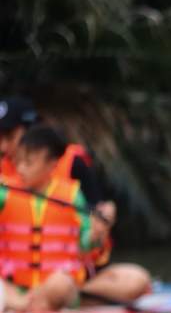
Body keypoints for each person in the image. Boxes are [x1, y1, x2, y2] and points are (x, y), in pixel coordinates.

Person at [0, 95, 126, 284]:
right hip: (14, 277)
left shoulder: (72, 168)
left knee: (132, 278)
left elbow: (92, 212)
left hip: (65, 275)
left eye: (10, 136)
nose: (3, 146)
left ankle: (74, 294)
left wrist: (101, 218)